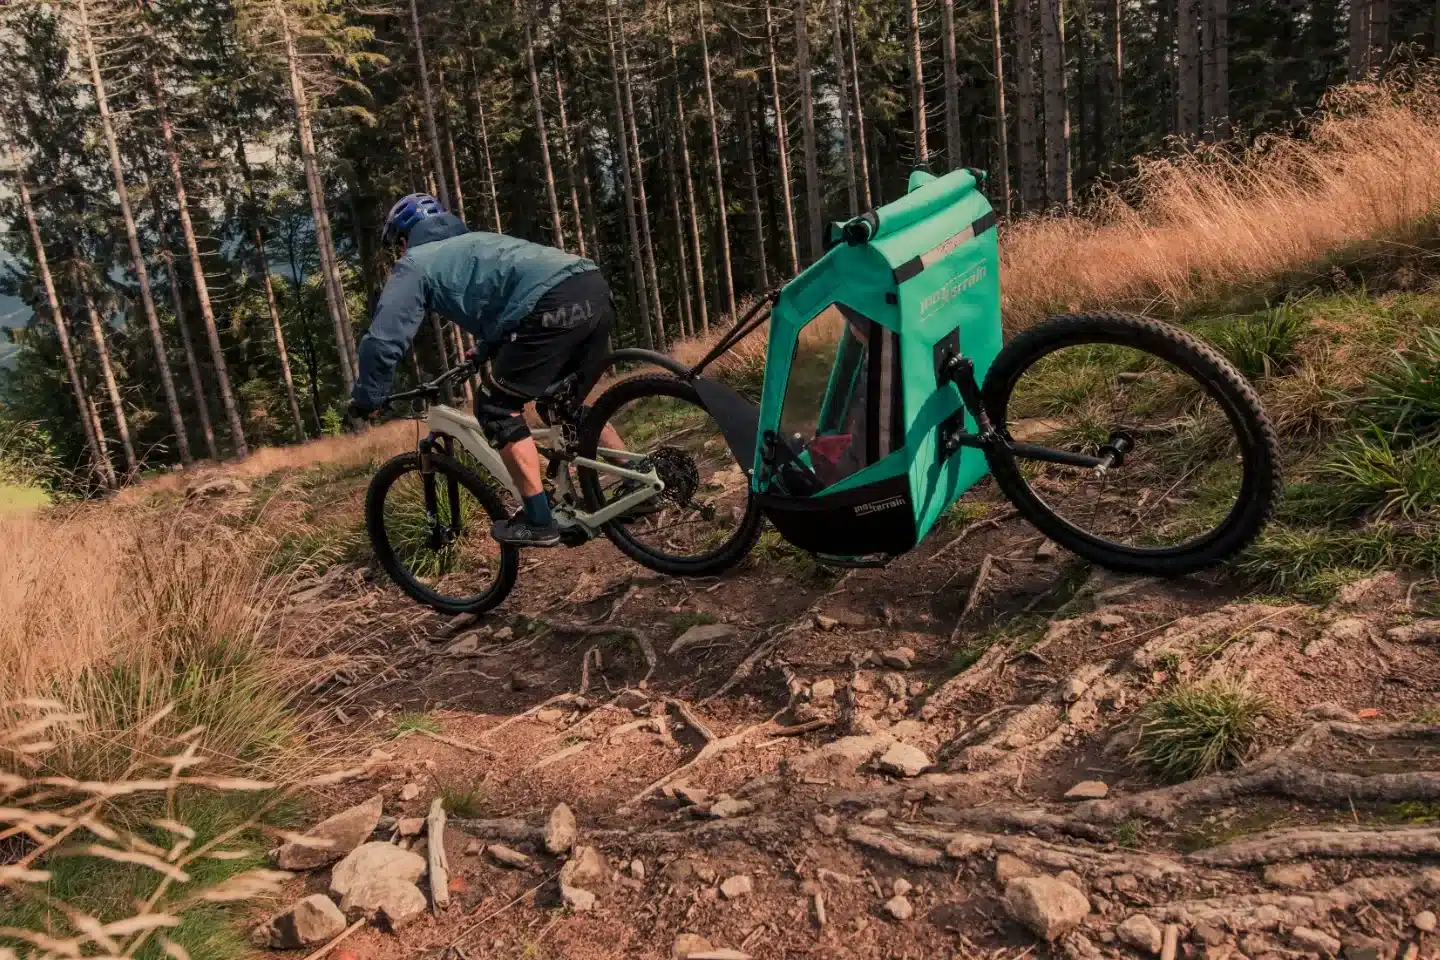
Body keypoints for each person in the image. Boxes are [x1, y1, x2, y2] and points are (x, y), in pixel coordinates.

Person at [349, 193, 626, 548]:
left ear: (404, 240)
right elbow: (514, 294)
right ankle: (637, 483)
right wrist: (483, 351)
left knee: (495, 407)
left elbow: (383, 340)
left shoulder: (415, 263)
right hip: (593, 288)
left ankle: (540, 521)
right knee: (560, 401)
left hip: (552, 307)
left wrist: (368, 396)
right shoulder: (478, 241)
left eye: (398, 246)